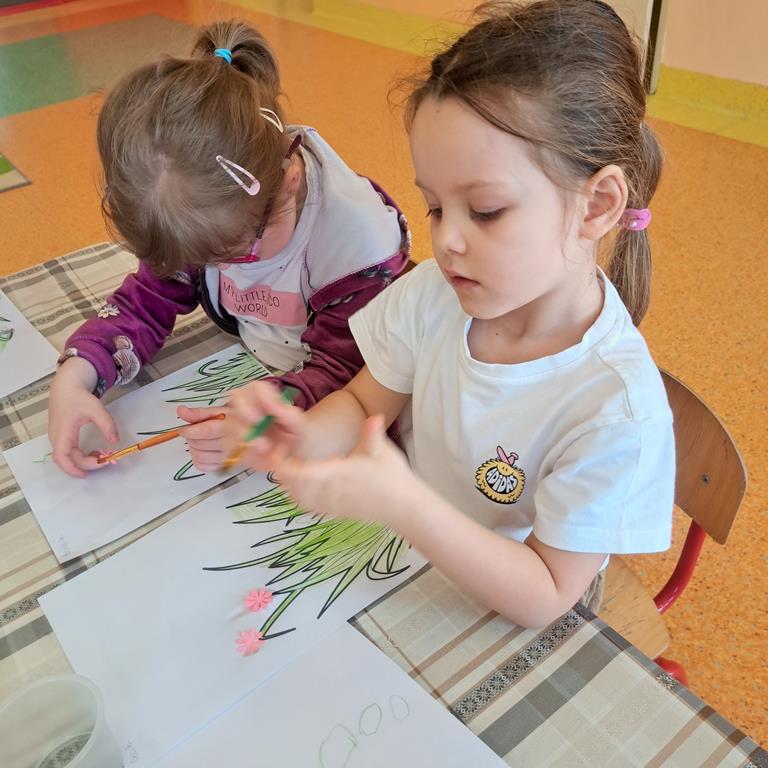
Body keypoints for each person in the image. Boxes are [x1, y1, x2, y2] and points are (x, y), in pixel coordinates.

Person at [222, 0, 675, 628]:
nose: (448, 241)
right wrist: (298, 435)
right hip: (413, 565)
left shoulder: (616, 411)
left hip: (506, 614)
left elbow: (547, 595)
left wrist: (403, 504)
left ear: (597, 205)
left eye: (485, 211)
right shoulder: (435, 295)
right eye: (435, 208)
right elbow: (362, 404)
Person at [47, 20, 410, 479]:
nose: (209, 270)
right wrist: (77, 375)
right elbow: (147, 300)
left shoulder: (358, 250)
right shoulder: (213, 207)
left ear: (289, 183)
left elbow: (349, 373)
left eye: (231, 254)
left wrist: (261, 422)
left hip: (340, 385)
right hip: (268, 353)